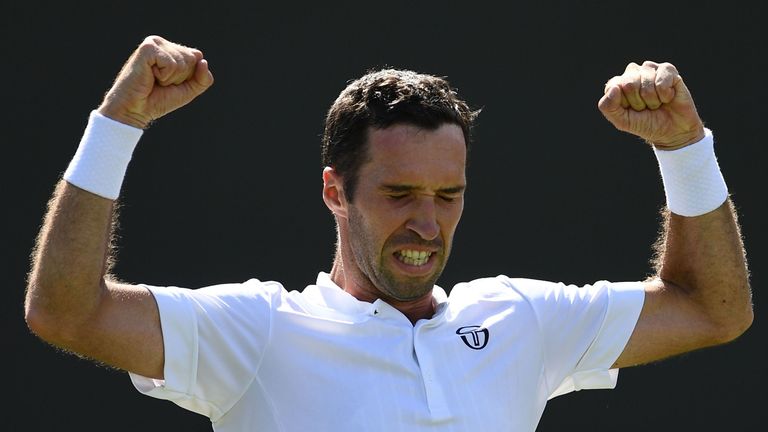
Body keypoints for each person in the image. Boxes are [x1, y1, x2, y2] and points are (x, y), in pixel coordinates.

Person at [25, 35, 753, 431]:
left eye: (448, 194)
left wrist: (684, 149)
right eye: (400, 193)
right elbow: (65, 311)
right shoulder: (257, 329)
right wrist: (116, 127)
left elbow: (713, 308)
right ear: (334, 192)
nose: (428, 224)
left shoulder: (521, 319)